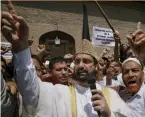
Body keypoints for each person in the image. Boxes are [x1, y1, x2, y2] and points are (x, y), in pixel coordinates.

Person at [1, 5, 131, 117]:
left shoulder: (111, 96)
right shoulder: (60, 93)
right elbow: (30, 90)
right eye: (77, 61)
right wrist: (21, 48)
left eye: (86, 61)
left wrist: (109, 114)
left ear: (96, 66)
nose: (80, 65)